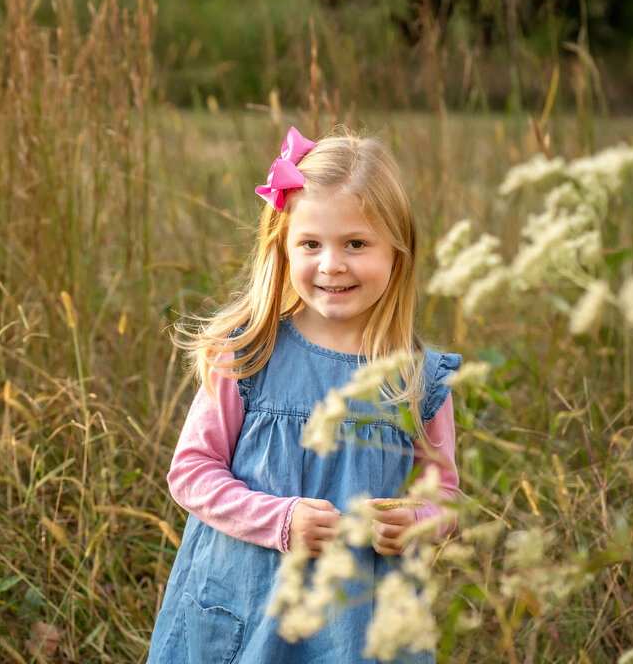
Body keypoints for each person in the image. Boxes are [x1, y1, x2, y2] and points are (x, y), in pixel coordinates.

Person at [146, 127, 462, 663]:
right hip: (246, 603)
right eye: (310, 244)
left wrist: (414, 522)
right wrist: (281, 520)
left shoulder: (417, 380)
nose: (331, 264)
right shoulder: (248, 352)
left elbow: (446, 496)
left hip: (357, 627)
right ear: (283, 247)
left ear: (397, 253)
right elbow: (191, 471)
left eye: (356, 244)